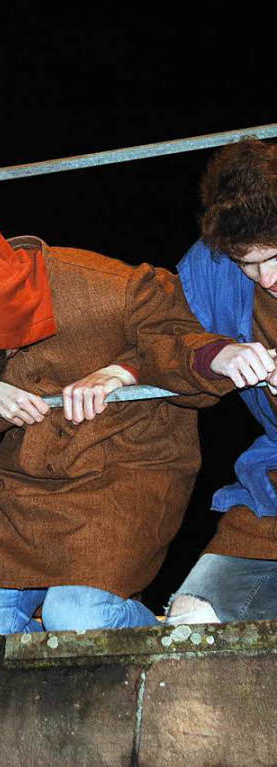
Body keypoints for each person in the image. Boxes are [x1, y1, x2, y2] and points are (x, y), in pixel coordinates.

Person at [0, 218, 270, 635]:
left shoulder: (104, 287)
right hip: (28, 481)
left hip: (124, 468)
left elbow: (177, 331)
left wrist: (125, 371)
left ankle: (171, 651)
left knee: (78, 615)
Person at [169, 138, 277, 625]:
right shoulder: (210, 265)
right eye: (247, 263)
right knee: (193, 617)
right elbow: (163, 333)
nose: (264, 276)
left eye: (274, 256)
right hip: (272, 480)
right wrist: (216, 352)